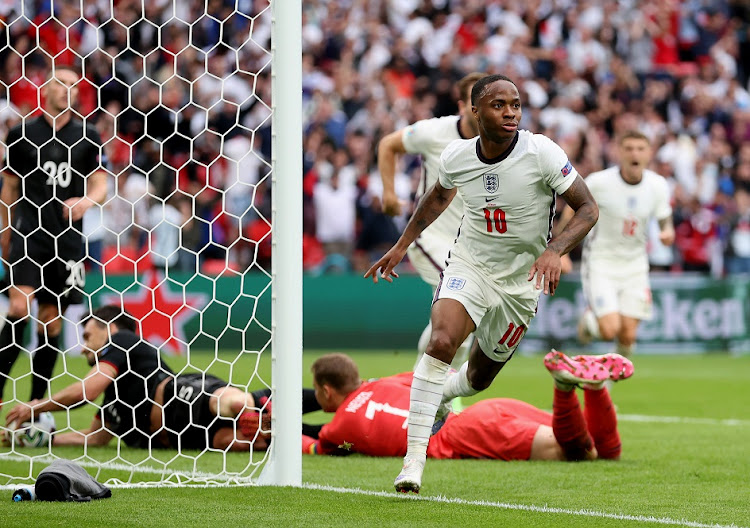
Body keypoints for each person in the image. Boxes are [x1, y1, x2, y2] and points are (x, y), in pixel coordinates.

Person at [364, 74, 599, 493]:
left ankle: (439, 396)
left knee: (478, 379)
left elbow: (587, 208)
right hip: (469, 265)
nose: (510, 112)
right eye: (498, 104)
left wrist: (554, 250)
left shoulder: (540, 151)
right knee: (441, 342)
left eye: (515, 104)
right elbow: (436, 197)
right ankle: (413, 462)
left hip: (520, 282)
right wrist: (401, 245)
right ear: (475, 110)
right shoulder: (456, 155)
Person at [3, 305, 276, 451]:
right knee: (248, 442)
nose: (84, 347)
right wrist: (43, 439)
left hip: (183, 397)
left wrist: (33, 407)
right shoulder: (115, 398)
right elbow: (94, 438)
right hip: (184, 437)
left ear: (109, 329)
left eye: (87, 337)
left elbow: (85, 392)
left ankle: (262, 404)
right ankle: (313, 439)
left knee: (233, 404)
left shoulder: (122, 340)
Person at [302, 351, 632, 466]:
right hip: (482, 413)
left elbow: (315, 446)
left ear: (327, 392)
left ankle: (563, 386)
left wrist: (268, 429)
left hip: (465, 434)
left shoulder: (338, 427)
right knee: (606, 453)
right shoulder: (383, 383)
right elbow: (438, 376)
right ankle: (596, 388)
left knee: (579, 453)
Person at [0, 65, 109, 405]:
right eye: (61, 83)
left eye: (73, 85)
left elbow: (101, 183)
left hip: (68, 240)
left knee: (51, 323)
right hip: (29, 234)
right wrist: (5, 233)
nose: (67, 90)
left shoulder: (87, 135)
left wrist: (86, 202)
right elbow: (10, 188)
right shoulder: (20, 134)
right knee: (19, 307)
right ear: (45, 89)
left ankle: (34, 406)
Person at [378, 71, 485, 369]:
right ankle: (432, 386)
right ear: (462, 106)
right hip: (431, 236)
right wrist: (388, 192)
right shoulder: (434, 132)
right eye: (475, 104)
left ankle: (425, 382)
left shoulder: (502, 143)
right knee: (461, 303)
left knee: (463, 322)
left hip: (471, 247)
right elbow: (388, 144)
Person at [562, 131, 674, 358]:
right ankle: (588, 321)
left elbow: (665, 219)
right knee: (609, 330)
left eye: (640, 149)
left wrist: (667, 232)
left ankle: (605, 384)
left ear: (649, 153)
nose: (635, 153)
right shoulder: (599, 182)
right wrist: (561, 250)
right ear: (619, 152)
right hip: (601, 263)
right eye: (629, 148)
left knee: (628, 336)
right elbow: (571, 210)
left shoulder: (658, 185)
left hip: (635, 265)